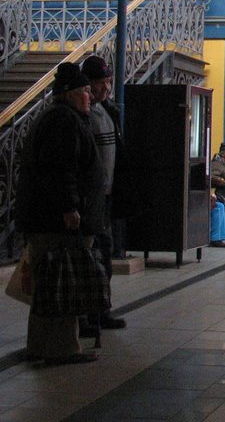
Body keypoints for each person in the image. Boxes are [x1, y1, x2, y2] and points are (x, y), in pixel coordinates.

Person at [15, 62, 104, 365]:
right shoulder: (63, 122)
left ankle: (40, 345)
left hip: (45, 217)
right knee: (64, 283)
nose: (90, 96)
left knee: (48, 284)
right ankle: (63, 347)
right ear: (69, 93)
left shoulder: (58, 117)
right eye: (85, 91)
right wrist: (69, 208)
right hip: (55, 220)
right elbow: (60, 170)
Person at [80, 55, 127, 334]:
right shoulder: (82, 114)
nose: (105, 88)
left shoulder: (107, 110)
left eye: (108, 82)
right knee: (89, 258)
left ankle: (101, 310)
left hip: (105, 197)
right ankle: (85, 316)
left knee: (104, 255)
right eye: (100, 83)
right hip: (89, 199)